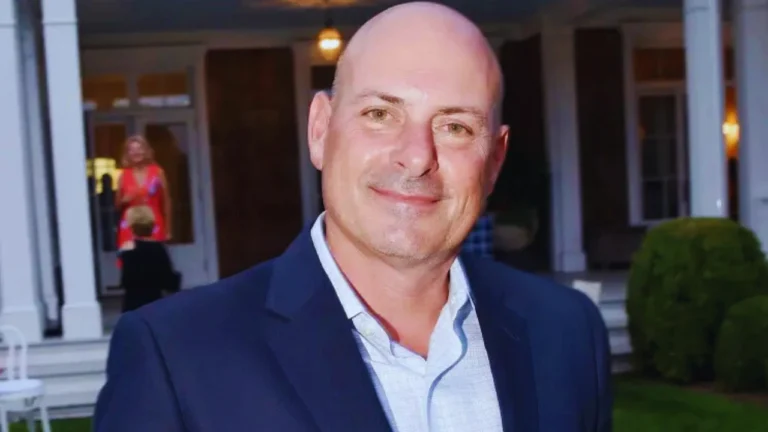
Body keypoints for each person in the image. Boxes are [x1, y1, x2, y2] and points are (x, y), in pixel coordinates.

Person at [93, 3, 612, 431]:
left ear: (495, 159)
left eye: (455, 126)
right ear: (320, 130)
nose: (416, 157)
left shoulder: (566, 331)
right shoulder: (176, 356)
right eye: (380, 114)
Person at [115, 135, 172, 253]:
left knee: (154, 259)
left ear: (146, 151)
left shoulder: (157, 172)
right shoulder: (123, 175)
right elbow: (117, 205)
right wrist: (125, 200)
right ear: (127, 154)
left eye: (139, 148)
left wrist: (168, 229)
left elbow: (166, 201)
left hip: (153, 224)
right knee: (131, 260)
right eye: (132, 150)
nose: (136, 152)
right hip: (130, 225)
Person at [118, 206, 180, 313]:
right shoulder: (159, 249)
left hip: (133, 304)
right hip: (154, 301)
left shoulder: (128, 249)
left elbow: (126, 281)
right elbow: (169, 282)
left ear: (132, 227)